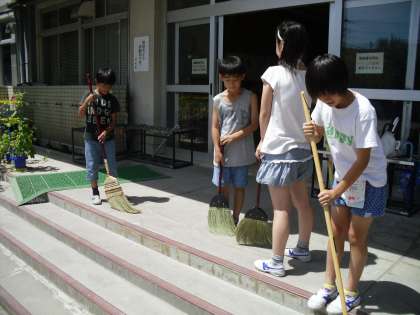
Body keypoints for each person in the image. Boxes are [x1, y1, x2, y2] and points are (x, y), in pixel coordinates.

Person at [304, 54, 387, 314]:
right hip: (342, 176)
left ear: (341, 84)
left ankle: (350, 292)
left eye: (329, 93)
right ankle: (329, 286)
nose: (325, 99)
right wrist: (313, 134)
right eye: (320, 94)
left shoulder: (363, 111)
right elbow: (318, 131)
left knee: (355, 237)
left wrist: (336, 190)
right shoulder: (322, 102)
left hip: (369, 180)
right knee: (335, 232)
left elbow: (363, 160)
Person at [253, 21, 315, 277]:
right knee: (302, 204)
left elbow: (264, 113)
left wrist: (262, 142)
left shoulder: (273, 73)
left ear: (281, 45)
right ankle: (302, 248)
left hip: (279, 152)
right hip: (303, 151)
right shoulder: (309, 76)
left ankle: (277, 263)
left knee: (280, 209)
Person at [211, 55, 258, 225]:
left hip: (242, 153)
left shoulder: (250, 96)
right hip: (223, 153)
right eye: (228, 80)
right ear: (221, 77)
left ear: (243, 77)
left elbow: (254, 124)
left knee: (240, 186)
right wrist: (216, 149)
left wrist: (233, 136)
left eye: (236, 80)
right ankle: (224, 218)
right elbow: (215, 126)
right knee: (223, 188)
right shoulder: (217, 100)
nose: (232, 84)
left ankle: (236, 217)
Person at [78, 68, 120, 205]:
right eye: (103, 85)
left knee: (112, 166)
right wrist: (87, 101)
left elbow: (114, 121)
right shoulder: (88, 94)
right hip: (90, 137)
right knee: (92, 165)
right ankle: (95, 192)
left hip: (108, 138)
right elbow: (80, 113)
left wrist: (106, 132)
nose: (106, 89)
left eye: (109, 86)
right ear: (97, 83)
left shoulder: (112, 99)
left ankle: (113, 193)